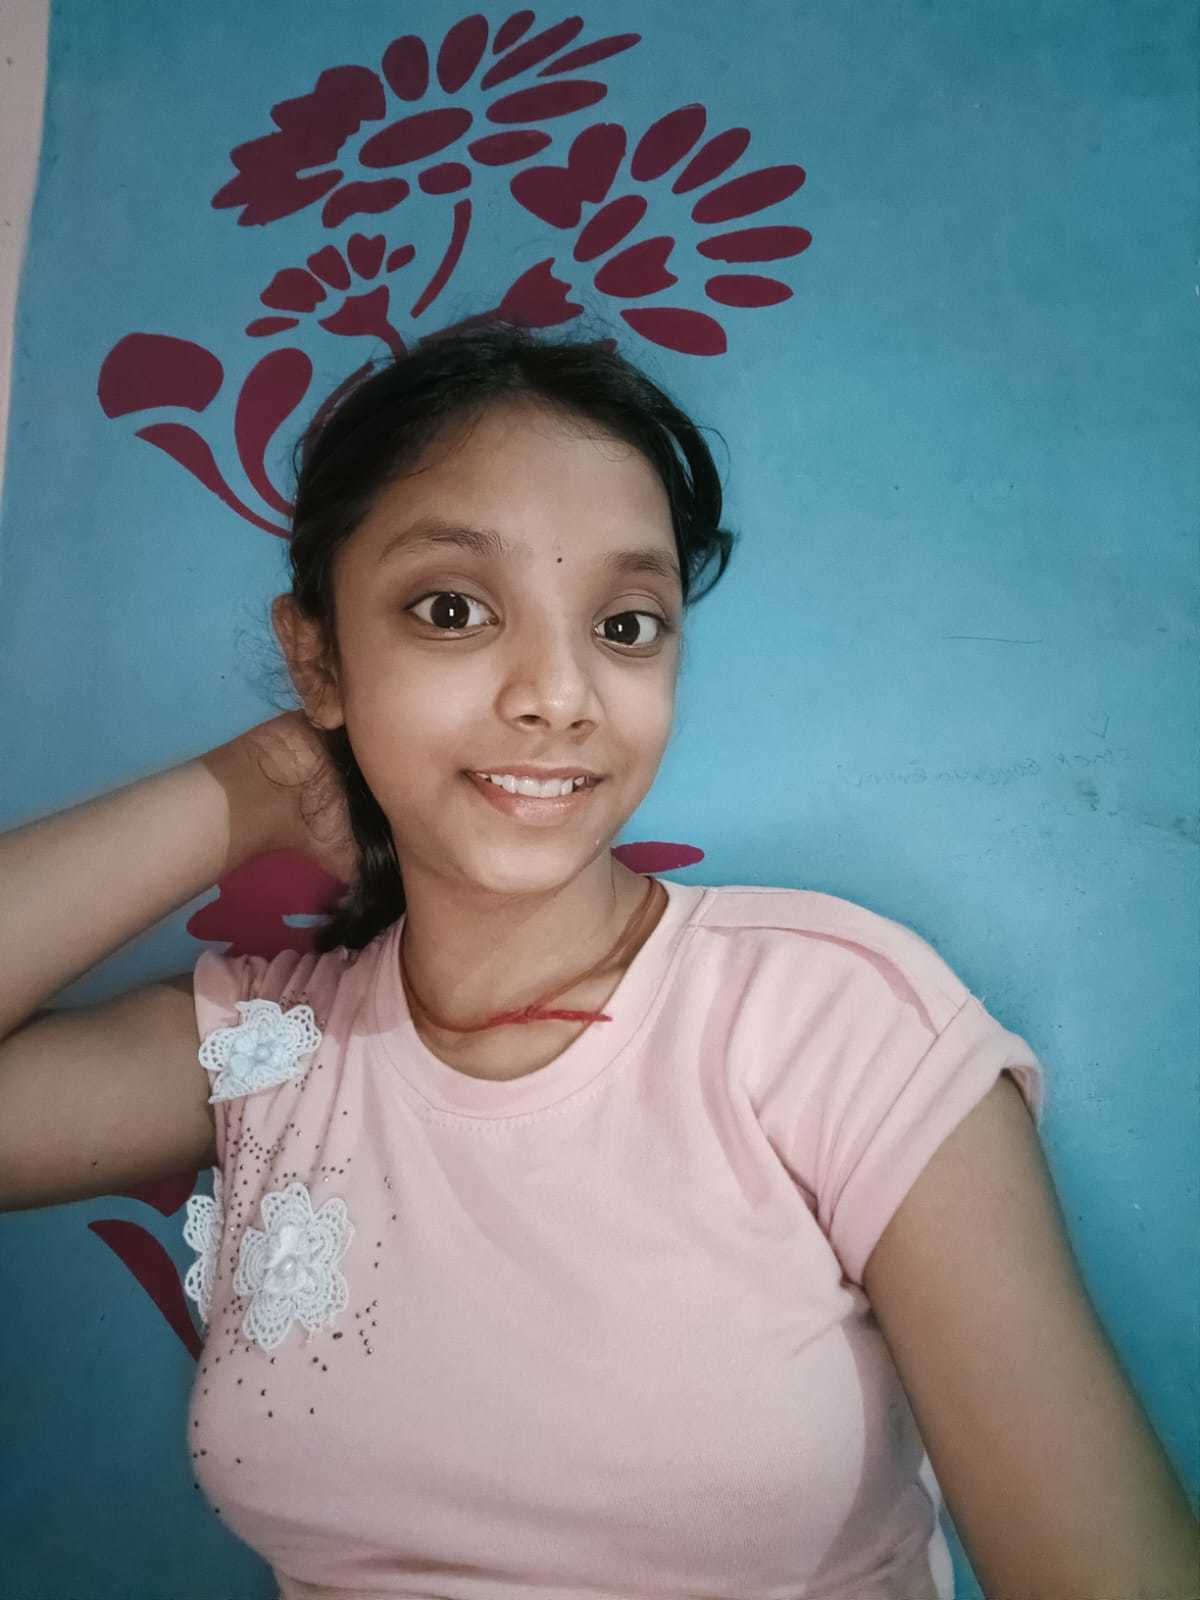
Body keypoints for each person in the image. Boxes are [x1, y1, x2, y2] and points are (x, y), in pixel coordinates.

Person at [0, 319, 1195, 1599]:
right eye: (453, 610)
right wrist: (259, 783)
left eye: (626, 625)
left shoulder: (837, 1023)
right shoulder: (275, 1051)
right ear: (318, 653)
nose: (561, 694)